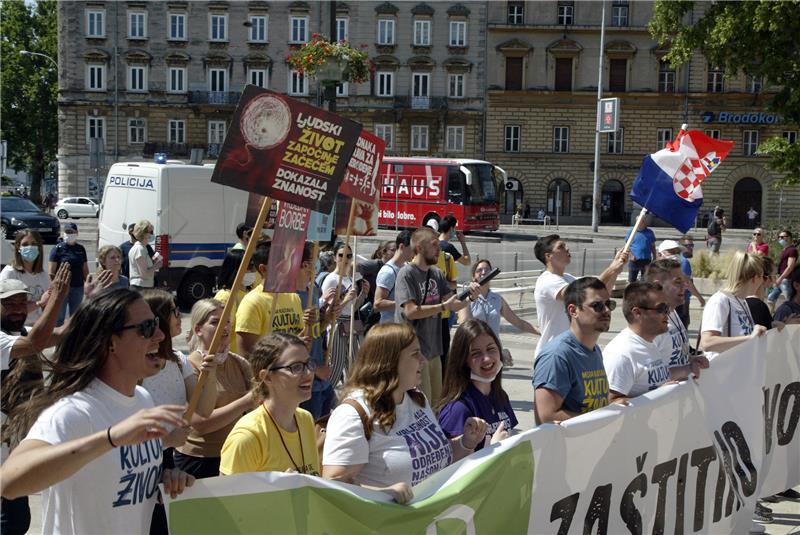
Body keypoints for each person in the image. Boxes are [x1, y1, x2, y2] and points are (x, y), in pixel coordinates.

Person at [0, 289, 194, 535]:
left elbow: (116, 487)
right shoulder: (73, 411)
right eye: (146, 327)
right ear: (110, 342)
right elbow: (9, 482)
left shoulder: (143, 400)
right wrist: (111, 438)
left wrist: (164, 481)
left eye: (155, 323)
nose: (159, 335)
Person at [322, 324, 493, 504]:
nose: (423, 360)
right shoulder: (352, 414)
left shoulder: (417, 399)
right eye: (415, 354)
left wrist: (466, 442)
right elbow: (334, 485)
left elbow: (435, 458)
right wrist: (383, 493)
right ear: (389, 361)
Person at [139, 290, 216, 535]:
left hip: (167, 462)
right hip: (140, 462)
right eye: (174, 311)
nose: (179, 316)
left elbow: (203, 409)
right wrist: (168, 440)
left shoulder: (178, 360)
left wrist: (210, 373)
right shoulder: (139, 364)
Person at [0, 267, 70, 535]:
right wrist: (57, 299)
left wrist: (92, 299)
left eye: (21, 303)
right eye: (8, 304)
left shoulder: (21, 332)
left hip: (15, 444)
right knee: (10, 521)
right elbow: (33, 345)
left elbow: (61, 332)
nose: (17, 309)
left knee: (18, 519)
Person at [394, 227, 478, 406]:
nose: (439, 249)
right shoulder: (406, 274)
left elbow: (453, 304)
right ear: (419, 248)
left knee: (437, 404)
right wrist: (442, 306)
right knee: (421, 405)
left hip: (434, 350)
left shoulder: (437, 274)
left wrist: (470, 297)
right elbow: (410, 311)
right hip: (413, 352)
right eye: (434, 245)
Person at [174, 299, 255, 479]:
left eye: (227, 321)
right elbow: (200, 424)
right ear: (198, 330)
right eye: (215, 322)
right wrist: (246, 401)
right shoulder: (190, 367)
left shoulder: (240, 364)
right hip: (199, 461)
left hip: (233, 455)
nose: (224, 327)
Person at [220, 333, 320, 476]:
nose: (309, 373)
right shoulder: (247, 437)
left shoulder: (305, 419)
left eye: (309, 364)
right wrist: (277, 489)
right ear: (267, 377)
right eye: (296, 367)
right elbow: (227, 496)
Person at [532, 277, 613, 425]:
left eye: (609, 304)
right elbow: (546, 416)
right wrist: (600, 420)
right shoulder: (557, 355)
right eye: (597, 306)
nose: (607, 310)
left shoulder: (594, 350)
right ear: (573, 310)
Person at [533, 234, 627, 357]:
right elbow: (580, 294)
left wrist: (615, 271)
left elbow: (603, 294)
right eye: (561, 247)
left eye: (566, 246)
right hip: (554, 353)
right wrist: (611, 269)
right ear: (548, 256)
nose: (567, 249)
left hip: (574, 349)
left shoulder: (568, 278)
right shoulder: (547, 281)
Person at [437, 319, 515, 450]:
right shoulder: (457, 409)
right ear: (463, 360)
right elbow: (450, 464)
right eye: (476, 353)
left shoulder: (500, 396)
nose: (487, 358)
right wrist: (493, 450)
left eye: (491, 349)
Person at [603, 282, 683, 402]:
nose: (668, 313)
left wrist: (691, 366)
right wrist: (658, 395)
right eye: (661, 309)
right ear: (637, 313)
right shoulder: (622, 354)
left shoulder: (650, 342)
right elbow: (609, 403)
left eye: (667, 308)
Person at [458, 259, 539, 366]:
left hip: (493, 352)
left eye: (487, 270)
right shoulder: (466, 298)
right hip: (474, 352)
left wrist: (541, 331)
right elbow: (463, 324)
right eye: (479, 270)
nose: (483, 273)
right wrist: (471, 299)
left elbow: (518, 322)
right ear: (473, 277)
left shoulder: (497, 299)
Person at [236, 240, 305, 356]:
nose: (289, 265)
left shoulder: (294, 297)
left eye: (289, 259)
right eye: (281, 261)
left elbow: (300, 338)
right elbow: (247, 354)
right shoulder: (252, 302)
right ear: (263, 269)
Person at [700, 251, 767, 361]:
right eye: (763, 277)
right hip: (721, 374)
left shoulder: (742, 301)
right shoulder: (720, 301)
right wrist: (749, 339)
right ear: (755, 278)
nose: (763, 282)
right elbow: (707, 343)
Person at [648, 259, 710, 376]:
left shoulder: (673, 313)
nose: (685, 286)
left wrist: (691, 359)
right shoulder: (652, 324)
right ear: (658, 285)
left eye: (685, 281)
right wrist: (687, 370)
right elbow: (648, 376)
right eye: (678, 282)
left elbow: (670, 357)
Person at [321, 242, 369, 387]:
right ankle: (327, 397)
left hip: (350, 324)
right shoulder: (331, 279)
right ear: (335, 257)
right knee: (336, 364)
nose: (345, 259)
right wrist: (347, 298)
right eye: (341, 255)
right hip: (337, 324)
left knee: (353, 365)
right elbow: (330, 310)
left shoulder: (349, 279)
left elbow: (352, 309)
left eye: (349, 256)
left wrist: (362, 295)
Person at [297, 244, 335, 421]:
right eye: (315, 260)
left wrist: (326, 319)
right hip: (308, 379)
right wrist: (315, 369)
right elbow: (294, 342)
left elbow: (314, 331)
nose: (317, 265)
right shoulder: (292, 297)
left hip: (322, 380)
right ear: (304, 265)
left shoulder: (311, 291)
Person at [1, 230, 51, 325]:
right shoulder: (10, 273)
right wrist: (39, 303)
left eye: (34, 244)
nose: (30, 247)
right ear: (18, 248)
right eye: (25, 244)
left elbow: (48, 305)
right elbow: (8, 309)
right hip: (16, 328)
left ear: (39, 247)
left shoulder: (43, 274)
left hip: (37, 327)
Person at [215, 249, 257, 355]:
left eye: (253, 266)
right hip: (231, 359)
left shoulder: (250, 292)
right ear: (235, 269)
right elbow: (220, 332)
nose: (253, 270)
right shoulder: (225, 296)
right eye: (249, 267)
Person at [48, 222, 89, 326]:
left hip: (78, 287)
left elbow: (85, 269)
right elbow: (51, 272)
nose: (69, 234)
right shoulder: (58, 249)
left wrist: (88, 283)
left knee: (76, 316)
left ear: (77, 233)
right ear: (64, 233)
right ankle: (57, 340)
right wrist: (54, 287)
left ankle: (73, 339)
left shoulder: (81, 249)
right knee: (59, 316)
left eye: (72, 232)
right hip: (62, 287)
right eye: (67, 232)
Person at [374, 230, 414, 324]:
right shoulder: (388, 272)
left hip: (403, 328)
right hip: (390, 330)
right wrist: (405, 304)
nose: (415, 252)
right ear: (402, 247)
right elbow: (377, 304)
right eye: (412, 248)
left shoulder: (406, 267)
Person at [357, 240, 396, 331]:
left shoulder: (396, 267)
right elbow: (351, 267)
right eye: (393, 250)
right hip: (371, 313)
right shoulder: (374, 265)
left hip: (384, 314)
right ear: (383, 252)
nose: (396, 252)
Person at [768, 230, 798, 312]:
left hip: (786, 279)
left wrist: (780, 278)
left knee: (790, 300)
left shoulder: (792, 250)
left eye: (782, 237)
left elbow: (790, 267)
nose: (780, 239)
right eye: (779, 237)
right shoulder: (785, 250)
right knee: (771, 298)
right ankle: (771, 316)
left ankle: (795, 315)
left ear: (789, 238)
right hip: (781, 279)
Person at [128, 220, 162, 291]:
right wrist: (156, 266)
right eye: (151, 232)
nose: (152, 235)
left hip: (142, 286)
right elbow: (144, 274)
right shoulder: (139, 249)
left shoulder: (143, 247)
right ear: (144, 233)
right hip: (140, 287)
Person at [746, 257, 776, 329]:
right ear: (765, 277)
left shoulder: (742, 300)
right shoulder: (759, 306)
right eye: (774, 275)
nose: (775, 280)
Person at [625, 217, 657, 282]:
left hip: (646, 260)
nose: (642, 223)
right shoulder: (631, 231)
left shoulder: (650, 232)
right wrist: (631, 255)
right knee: (631, 280)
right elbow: (627, 246)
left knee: (645, 280)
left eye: (643, 221)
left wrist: (654, 257)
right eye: (640, 221)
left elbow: (653, 246)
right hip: (634, 260)